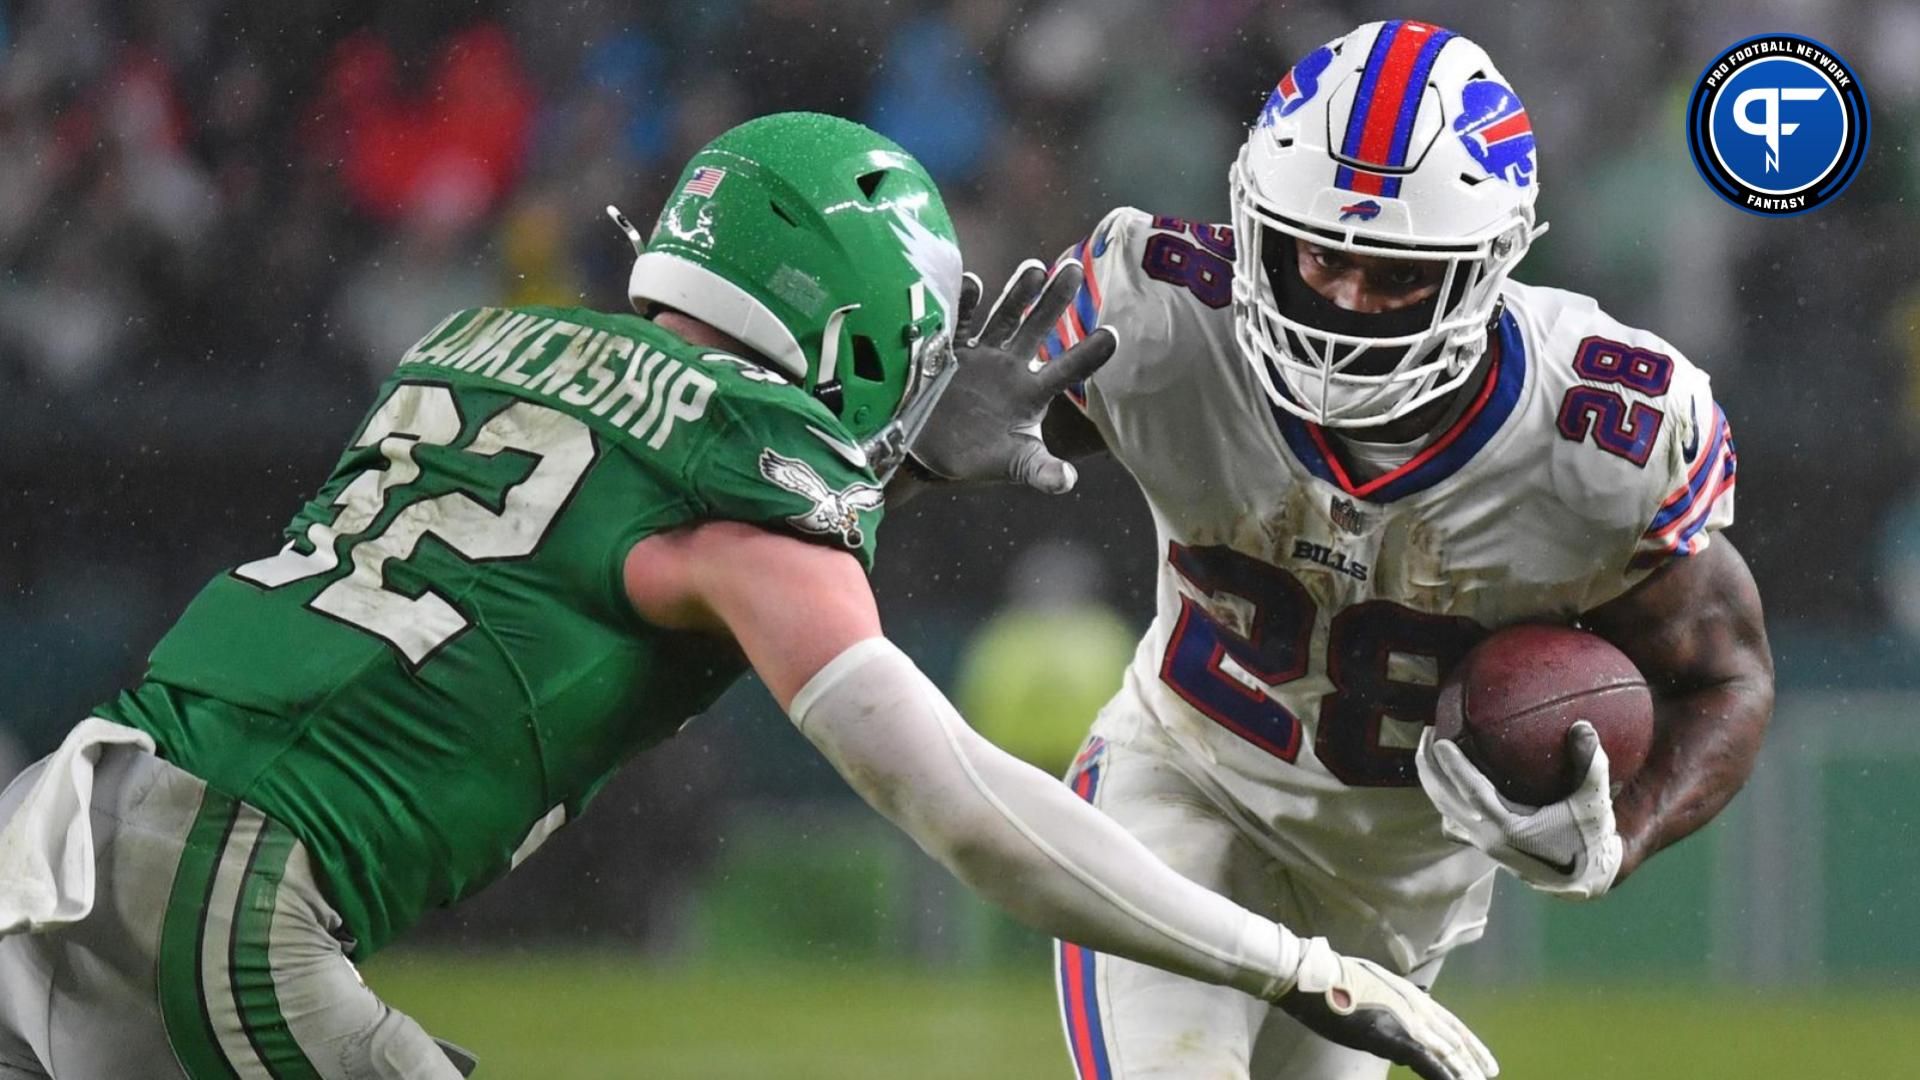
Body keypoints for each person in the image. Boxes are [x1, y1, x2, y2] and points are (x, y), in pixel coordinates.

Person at [0, 113, 1494, 1080]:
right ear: (854, 328)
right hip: (233, 898)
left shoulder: (476, 348)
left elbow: (597, 540)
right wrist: (1303, 969)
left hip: (73, 819)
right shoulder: (739, 489)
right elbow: (965, 806)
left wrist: (884, 485)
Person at [910, 21, 1773, 1080]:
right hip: (1180, 794)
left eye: (1396, 274)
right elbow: (911, 458)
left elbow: (1724, 677)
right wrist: (914, 439)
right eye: (1320, 255)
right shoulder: (1166, 315)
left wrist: (1619, 833)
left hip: (1398, 904)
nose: (1348, 306)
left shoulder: (1599, 438)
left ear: (1491, 264)